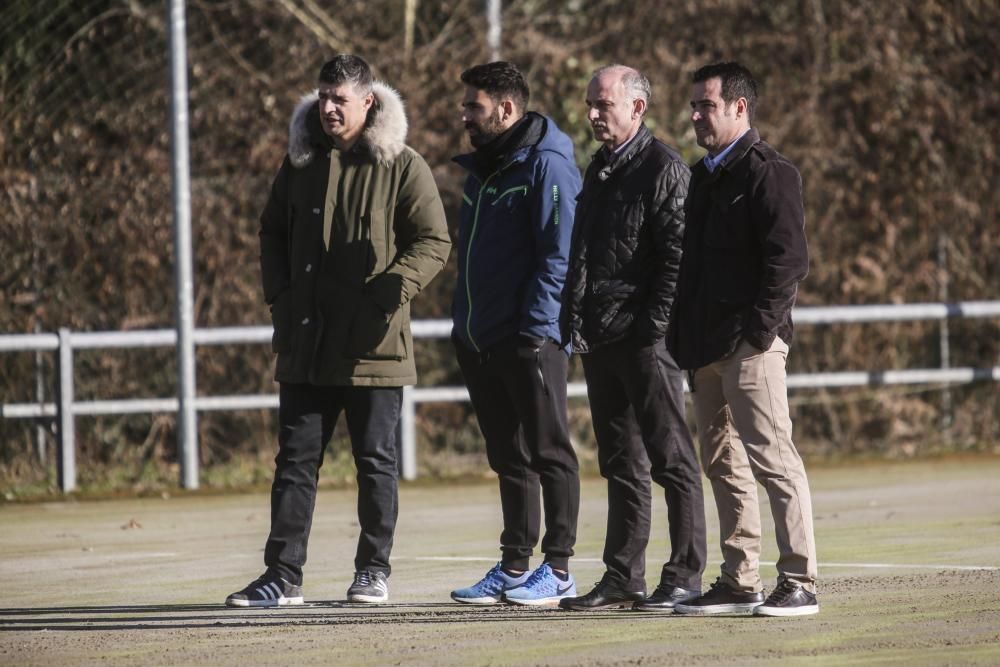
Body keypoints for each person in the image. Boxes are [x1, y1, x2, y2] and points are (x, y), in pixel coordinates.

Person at [226, 55, 451, 607]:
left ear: (367, 101)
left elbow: (434, 242)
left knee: (375, 464)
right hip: (307, 342)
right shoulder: (299, 163)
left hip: (374, 346)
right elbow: (271, 233)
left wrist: (389, 292)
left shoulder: (403, 164)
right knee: (295, 461)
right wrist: (280, 297)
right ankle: (282, 576)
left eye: (340, 99)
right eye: (323, 96)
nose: (328, 108)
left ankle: (373, 571)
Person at [669, 61, 819, 617]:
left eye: (706, 105)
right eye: (694, 106)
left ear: (739, 107)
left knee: (773, 459)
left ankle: (800, 580)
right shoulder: (702, 176)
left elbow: (789, 261)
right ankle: (739, 581)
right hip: (705, 349)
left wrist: (759, 333)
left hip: (750, 346)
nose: (695, 116)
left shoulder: (769, 171)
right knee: (722, 463)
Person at [557, 65, 707, 611]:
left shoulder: (663, 168)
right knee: (620, 462)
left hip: (646, 342)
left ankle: (686, 574)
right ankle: (623, 575)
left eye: (604, 105)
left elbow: (677, 258)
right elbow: (585, 256)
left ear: (637, 108)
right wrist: (577, 318)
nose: (594, 114)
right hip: (601, 338)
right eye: (591, 105)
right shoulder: (599, 168)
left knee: (672, 460)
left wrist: (653, 328)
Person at [448, 62, 583, 606]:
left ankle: (560, 568)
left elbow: (560, 254)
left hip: (530, 338)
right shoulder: (482, 169)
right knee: (508, 454)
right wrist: (465, 325)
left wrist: (536, 328)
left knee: (550, 450)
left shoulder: (547, 165)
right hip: (481, 339)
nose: (464, 116)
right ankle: (513, 565)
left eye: (472, 107)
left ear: (506, 109)